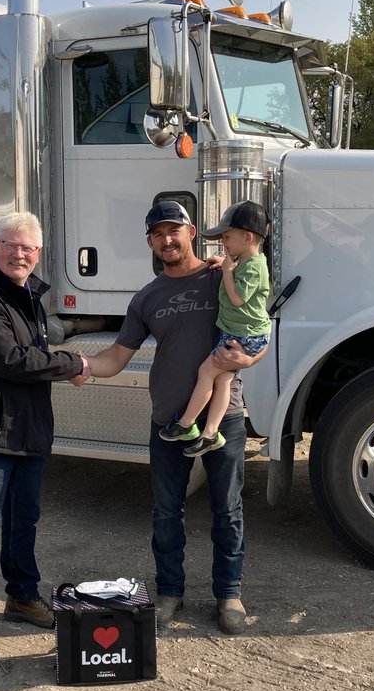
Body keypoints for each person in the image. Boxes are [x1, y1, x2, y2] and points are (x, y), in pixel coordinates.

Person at [82, 199, 267, 635]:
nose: (167, 239)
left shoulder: (223, 275)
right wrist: (80, 365)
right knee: (166, 511)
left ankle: (229, 594)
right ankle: (169, 591)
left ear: (191, 233)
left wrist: (251, 360)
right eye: (157, 234)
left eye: (173, 230)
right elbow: (116, 357)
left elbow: (258, 325)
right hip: (169, 419)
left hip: (224, 416)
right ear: (150, 242)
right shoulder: (147, 298)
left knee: (228, 509)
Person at [0, 213, 90, 666]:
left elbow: (32, 356)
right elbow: (10, 359)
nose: (19, 254)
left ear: (38, 253)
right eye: (10, 244)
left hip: (28, 431)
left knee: (24, 521)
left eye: (27, 248)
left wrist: (60, 364)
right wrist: (72, 364)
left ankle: (22, 597)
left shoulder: (29, 297)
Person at [159, 200, 271, 457]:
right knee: (222, 379)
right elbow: (236, 268)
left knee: (206, 371)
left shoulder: (254, 267)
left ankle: (186, 424)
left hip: (243, 336)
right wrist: (225, 262)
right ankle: (210, 434)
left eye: (227, 237)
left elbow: (237, 298)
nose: (223, 242)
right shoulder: (246, 260)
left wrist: (227, 271)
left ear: (247, 237)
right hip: (242, 332)